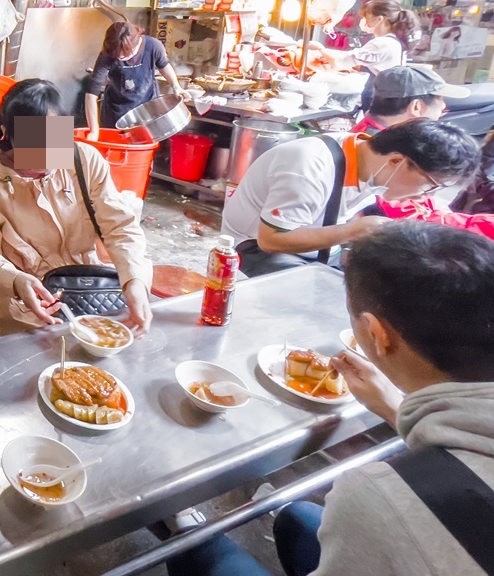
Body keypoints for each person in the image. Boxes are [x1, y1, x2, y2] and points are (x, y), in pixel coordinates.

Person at [166, 221, 494, 576]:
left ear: (375, 333)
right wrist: (393, 409)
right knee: (299, 516)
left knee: (197, 549)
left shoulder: (378, 497)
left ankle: (188, 536)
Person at [0, 79, 154, 337]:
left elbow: (119, 226)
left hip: (90, 294)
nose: (48, 154)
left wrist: (134, 280)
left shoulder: (84, 160)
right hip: (27, 308)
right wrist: (14, 280)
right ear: (7, 133)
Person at [221, 119, 479, 277]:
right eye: (431, 186)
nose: (427, 195)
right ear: (397, 161)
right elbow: (271, 240)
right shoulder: (309, 167)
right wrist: (353, 232)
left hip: (318, 249)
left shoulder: (365, 159)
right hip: (254, 247)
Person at [76, 21, 189, 130]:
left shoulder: (153, 46)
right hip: (116, 111)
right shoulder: (108, 54)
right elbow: (91, 93)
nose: (121, 58)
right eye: (118, 57)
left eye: (125, 55)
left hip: (148, 108)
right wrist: (94, 130)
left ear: (137, 43)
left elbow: (164, 65)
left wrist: (176, 86)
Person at [351, 65, 467, 135]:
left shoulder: (366, 132)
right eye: (439, 100)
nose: (443, 106)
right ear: (417, 107)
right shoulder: (391, 152)